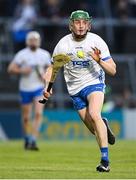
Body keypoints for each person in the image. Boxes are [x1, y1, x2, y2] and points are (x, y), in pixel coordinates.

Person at [43, 10, 116, 172]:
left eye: (84, 22)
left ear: (89, 25)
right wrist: (46, 86)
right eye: (77, 22)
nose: (81, 26)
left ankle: (105, 161)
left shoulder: (97, 41)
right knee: (93, 128)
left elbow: (113, 70)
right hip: (75, 90)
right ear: (71, 25)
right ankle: (102, 124)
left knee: (94, 114)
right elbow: (51, 68)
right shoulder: (63, 44)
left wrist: (99, 61)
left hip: (94, 83)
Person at [8, 31, 51, 150]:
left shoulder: (44, 54)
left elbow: (50, 70)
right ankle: (27, 137)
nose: (34, 42)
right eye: (31, 40)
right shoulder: (22, 54)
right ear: (27, 41)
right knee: (26, 117)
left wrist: (45, 75)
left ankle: (33, 140)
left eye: (36, 40)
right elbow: (11, 69)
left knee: (38, 113)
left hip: (38, 88)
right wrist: (22, 71)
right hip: (25, 88)